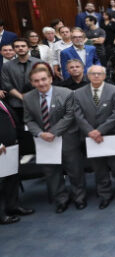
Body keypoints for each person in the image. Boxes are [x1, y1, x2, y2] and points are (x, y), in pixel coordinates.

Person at [23, 66, 82, 212]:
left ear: (50, 78)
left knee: (74, 170)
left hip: (67, 138)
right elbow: (28, 120)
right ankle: (61, 200)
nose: (41, 83)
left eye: (44, 79)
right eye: (36, 81)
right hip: (44, 142)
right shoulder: (28, 98)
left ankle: (79, 198)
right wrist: (40, 134)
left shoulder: (66, 93)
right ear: (32, 83)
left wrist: (53, 132)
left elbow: (70, 115)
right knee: (52, 173)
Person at [0, 97, 29, 224]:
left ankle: (12, 206)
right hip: (1, 148)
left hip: (10, 147)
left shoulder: (3, 101)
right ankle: (1, 215)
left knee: (12, 177)